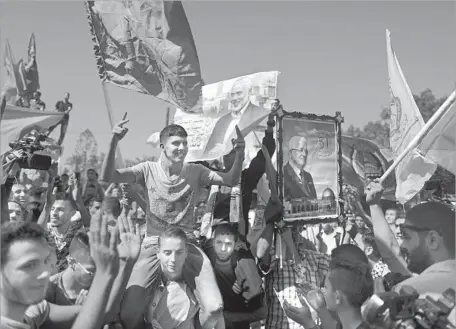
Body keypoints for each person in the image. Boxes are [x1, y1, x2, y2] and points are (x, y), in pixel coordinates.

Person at [101, 119, 246, 329]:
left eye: (184, 143)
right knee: (129, 313)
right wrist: (113, 140)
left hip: (187, 244)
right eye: (176, 143)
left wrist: (240, 152)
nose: (181, 148)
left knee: (215, 308)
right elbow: (109, 176)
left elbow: (231, 180)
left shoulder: (197, 171)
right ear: (162, 147)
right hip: (153, 244)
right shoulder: (146, 169)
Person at [365, 179, 456, 294]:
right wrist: (374, 205)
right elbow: (392, 254)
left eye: (406, 236)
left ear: (433, 240)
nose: (402, 244)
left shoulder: (410, 290)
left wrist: (382, 305)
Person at [206, 223, 267, 329]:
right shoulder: (208, 259)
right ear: (213, 243)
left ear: (235, 245)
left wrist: (229, 317)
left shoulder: (242, 264)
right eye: (219, 243)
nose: (223, 249)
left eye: (228, 244)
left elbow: (262, 313)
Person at [144, 227, 201, 329]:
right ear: (158, 253)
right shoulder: (145, 285)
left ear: (186, 252)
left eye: (179, 252)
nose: (173, 259)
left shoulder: (196, 290)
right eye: (167, 253)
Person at [205, 77, 269, 151]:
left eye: (239, 93)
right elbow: (207, 150)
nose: (235, 98)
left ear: (249, 92)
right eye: (232, 94)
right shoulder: (222, 120)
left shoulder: (262, 115)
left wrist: (226, 149)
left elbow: (261, 147)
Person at [283, 135, 317, 200]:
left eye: (306, 151)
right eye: (301, 150)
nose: (304, 154)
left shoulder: (308, 176)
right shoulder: (283, 175)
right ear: (290, 153)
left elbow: (315, 200)